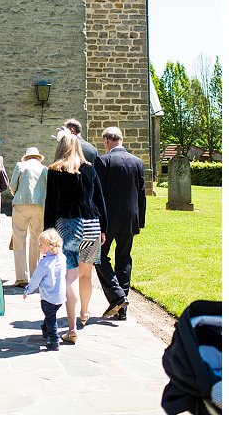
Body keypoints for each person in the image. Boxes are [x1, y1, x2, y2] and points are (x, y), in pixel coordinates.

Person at [43, 131, 108, 342]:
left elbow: (51, 205)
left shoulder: (54, 171)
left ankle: (71, 328)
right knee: (86, 274)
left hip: (67, 225)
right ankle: (85, 313)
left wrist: (48, 230)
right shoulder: (90, 170)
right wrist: (104, 228)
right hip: (91, 225)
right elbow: (100, 200)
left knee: (69, 276)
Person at [94, 126, 147, 321]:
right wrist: (140, 220)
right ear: (121, 140)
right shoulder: (137, 162)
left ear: (107, 140)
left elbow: (97, 195)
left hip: (108, 220)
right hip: (130, 218)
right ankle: (122, 309)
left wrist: (98, 223)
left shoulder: (103, 160)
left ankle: (117, 297)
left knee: (98, 256)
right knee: (124, 259)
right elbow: (142, 194)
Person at [9, 146, 48, 287]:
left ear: (26, 157)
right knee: (36, 241)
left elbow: (12, 186)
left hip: (21, 204)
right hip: (39, 206)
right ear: (38, 157)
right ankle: (35, 275)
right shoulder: (45, 169)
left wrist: (17, 195)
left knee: (19, 239)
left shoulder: (20, 165)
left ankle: (21, 277)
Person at [23, 228, 68, 351]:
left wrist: (28, 290)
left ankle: (54, 340)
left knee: (50, 317)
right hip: (60, 296)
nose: (39, 246)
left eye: (41, 244)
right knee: (50, 315)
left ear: (49, 246)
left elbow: (35, 279)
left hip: (48, 296)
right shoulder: (62, 258)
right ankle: (45, 328)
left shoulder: (44, 263)